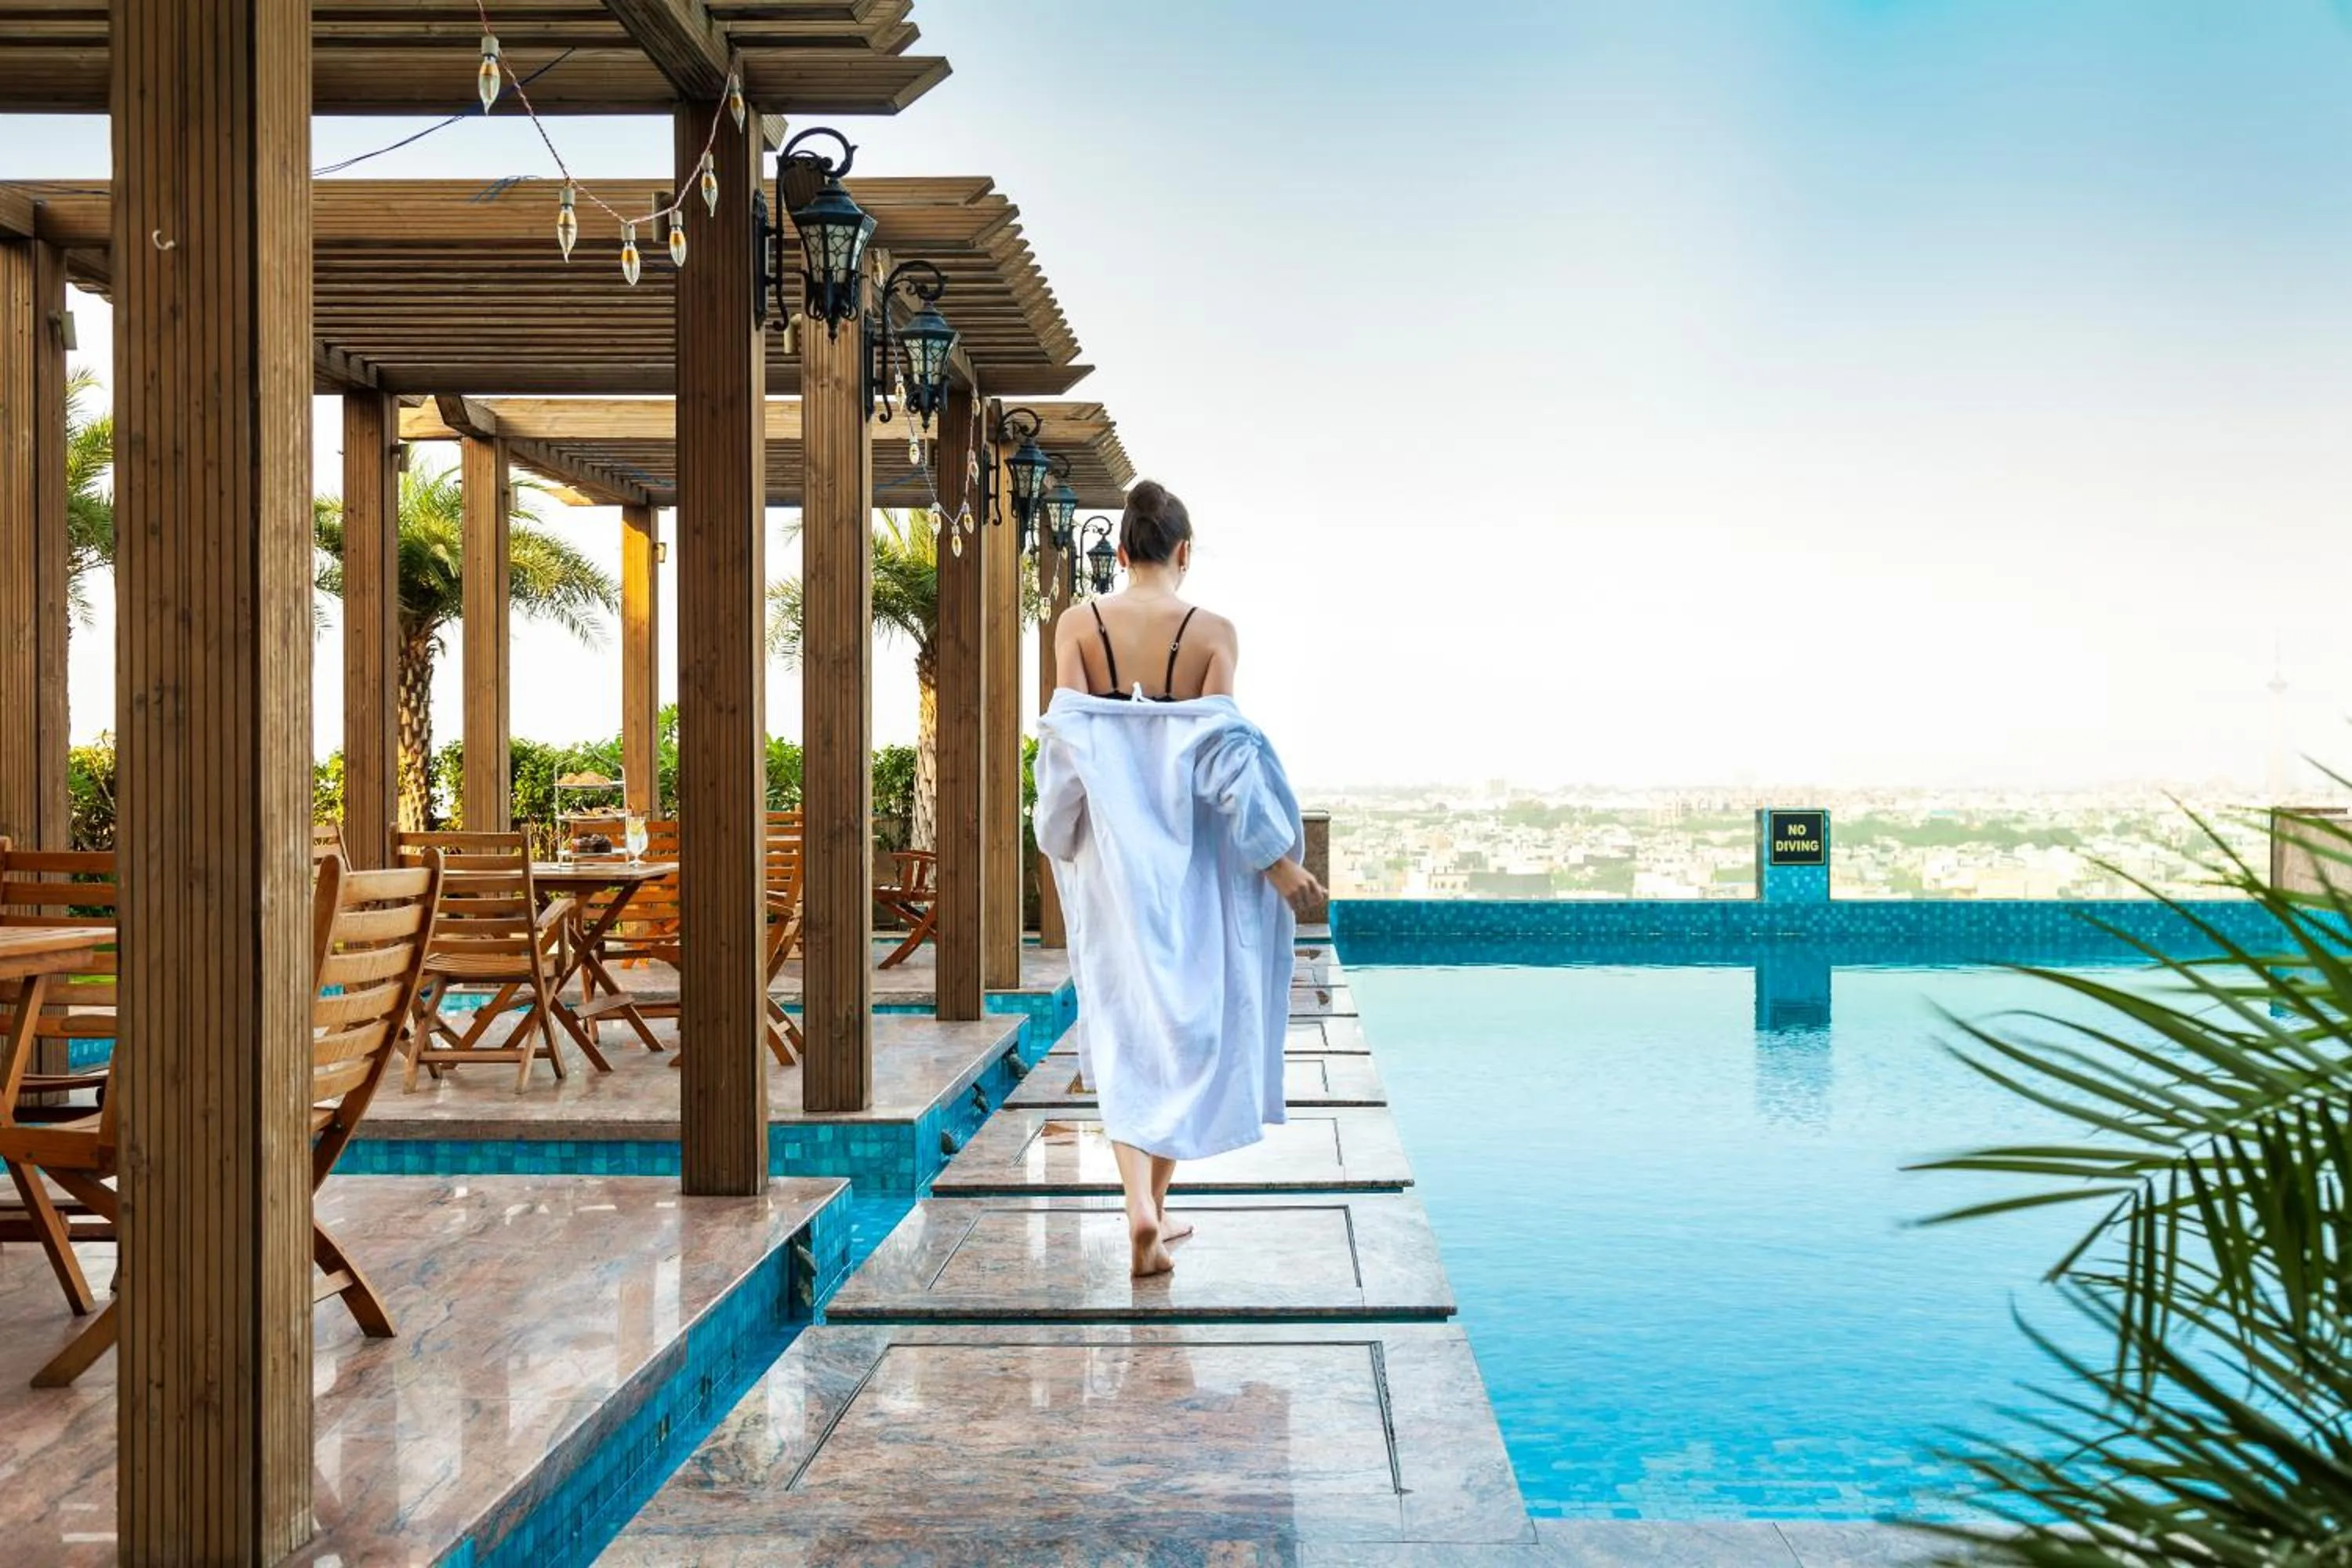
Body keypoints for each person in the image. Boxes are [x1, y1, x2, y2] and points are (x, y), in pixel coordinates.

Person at [1033, 480, 1326, 1277]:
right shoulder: (1214, 634)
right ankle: (1154, 1214)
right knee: (1187, 1027)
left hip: (1109, 864)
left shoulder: (1077, 626)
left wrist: (1056, 836)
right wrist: (1279, 860)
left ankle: (1141, 1211)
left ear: (1121, 551)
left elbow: (1066, 749)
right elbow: (1226, 762)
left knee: (1126, 1025)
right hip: (1192, 859)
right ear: (1184, 552)